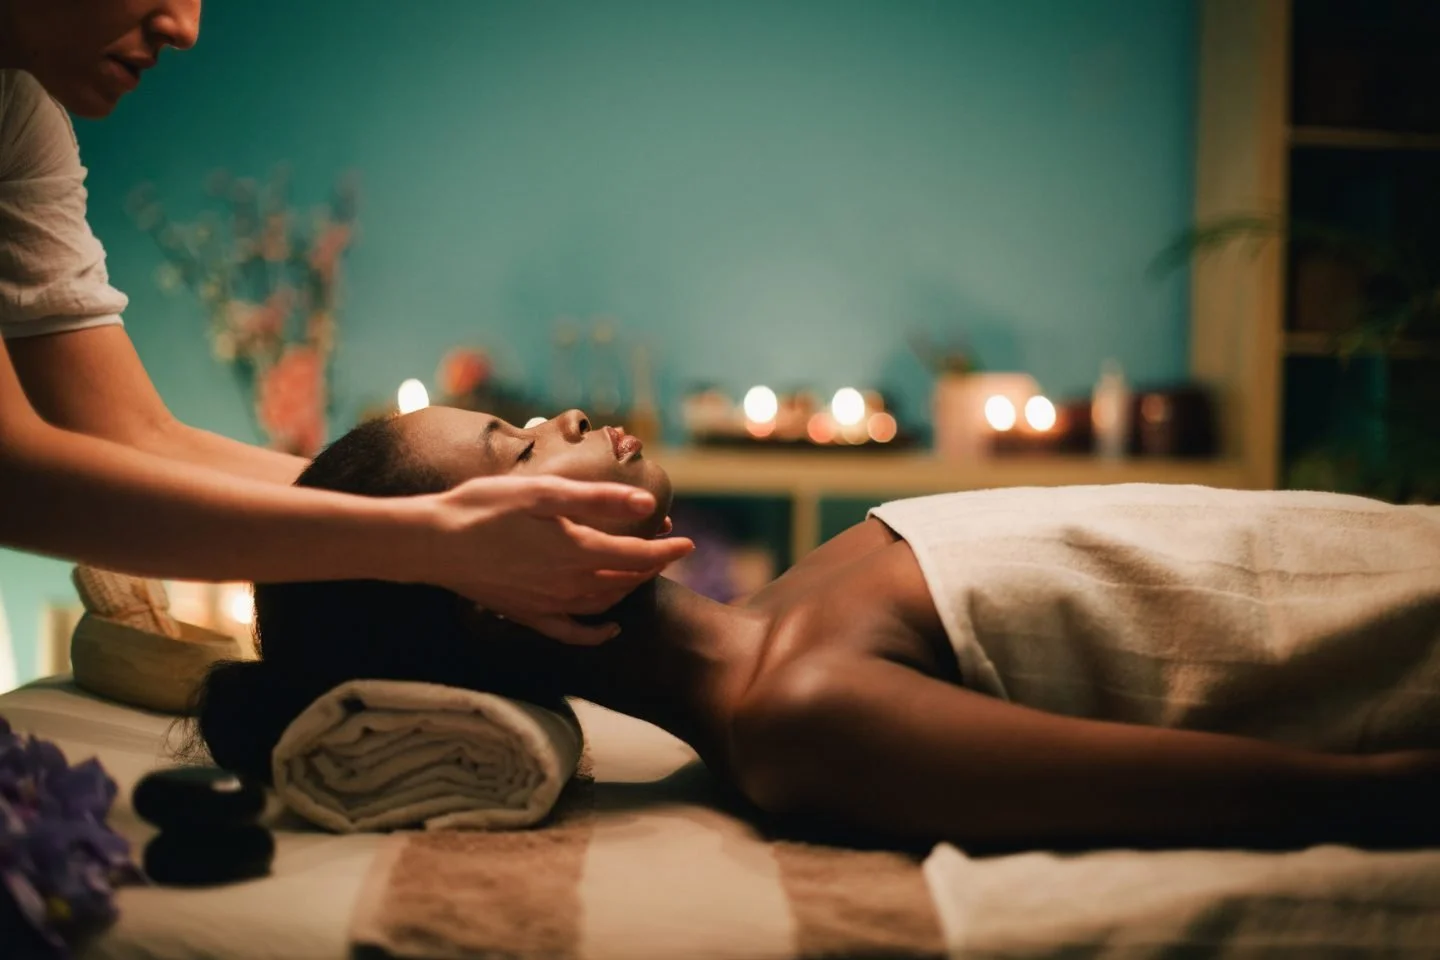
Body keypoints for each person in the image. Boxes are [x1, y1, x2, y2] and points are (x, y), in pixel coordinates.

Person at [197, 406, 1440, 852]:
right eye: (518, 451)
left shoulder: (790, 604)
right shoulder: (797, 717)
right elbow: (1265, 797)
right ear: (491, 592)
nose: (561, 419)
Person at [0, 0, 691, 644]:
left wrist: (429, 519)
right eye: (517, 448)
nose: (185, 27)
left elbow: (135, 435)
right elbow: (17, 478)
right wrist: (429, 540)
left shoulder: (19, 111)